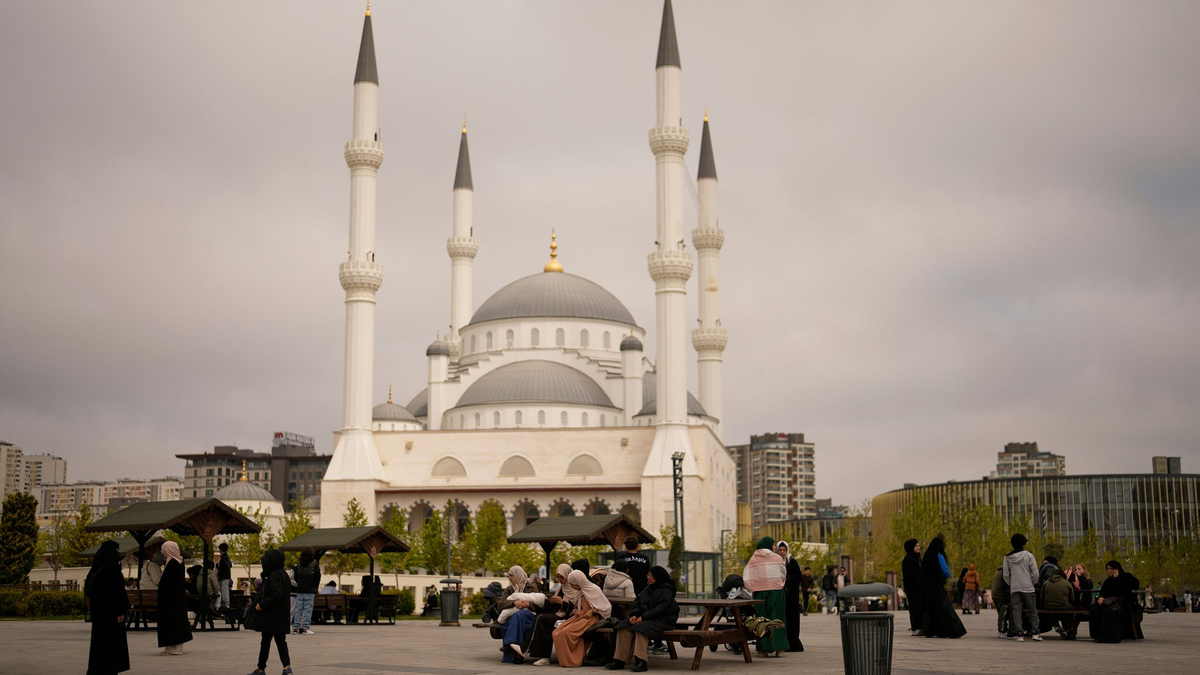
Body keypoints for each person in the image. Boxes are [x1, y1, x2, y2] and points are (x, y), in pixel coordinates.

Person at [606, 566, 680, 672]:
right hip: (646, 618)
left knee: (641, 629)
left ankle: (641, 661)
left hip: (663, 619)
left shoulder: (667, 591)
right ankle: (619, 660)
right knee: (623, 627)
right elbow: (636, 602)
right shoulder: (648, 589)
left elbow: (661, 609)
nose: (648, 577)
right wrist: (634, 615)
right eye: (648, 575)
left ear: (657, 577)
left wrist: (643, 617)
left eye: (650, 575)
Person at [542, 569, 611, 667]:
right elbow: (578, 606)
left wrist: (592, 611)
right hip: (579, 617)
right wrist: (576, 611)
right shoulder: (580, 591)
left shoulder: (593, 589)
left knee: (566, 633)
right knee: (557, 632)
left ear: (579, 581)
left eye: (574, 584)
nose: (573, 587)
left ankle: (574, 660)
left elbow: (606, 608)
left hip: (590, 619)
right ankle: (565, 660)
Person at [86, 540, 130, 675]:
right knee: (111, 645)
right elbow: (117, 593)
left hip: (99, 614)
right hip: (112, 615)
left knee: (99, 643)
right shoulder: (112, 570)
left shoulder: (95, 570)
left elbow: (89, 591)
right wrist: (121, 611)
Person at [249, 549, 293, 675]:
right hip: (280, 615)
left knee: (266, 642)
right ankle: (286, 667)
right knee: (280, 641)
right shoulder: (283, 574)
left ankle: (261, 669)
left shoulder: (274, 575)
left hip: (272, 616)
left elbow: (276, 594)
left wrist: (261, 605)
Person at [743, 536, 788, 657]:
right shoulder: (777, 558)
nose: (774, 547)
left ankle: (763, 649)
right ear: (768, 545)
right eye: (773, 545)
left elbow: (748, 575)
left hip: (760, 593)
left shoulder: (753, 559)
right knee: (777, 618)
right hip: (776, 592)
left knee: (761, 620)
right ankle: (780, 649)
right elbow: (783, 574)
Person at [524, 564, 575, 664]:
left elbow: (576, 607)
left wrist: (562, 602)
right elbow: (553, 608)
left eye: (562, 577)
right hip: (557, 614)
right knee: (540, 618)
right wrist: (550, 601)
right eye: (558, 577)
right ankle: (542, 656)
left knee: (541, 619)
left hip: (568, 616)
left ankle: (524, 648)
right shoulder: (560, 588)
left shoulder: (574, 588)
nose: (560, 580)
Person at [920, 536, 966, 638]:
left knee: (931, 609)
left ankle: (931, 630)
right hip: (937, 586)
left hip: (928, 587)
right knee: (943, 607)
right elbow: (945, 571)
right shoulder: (938, 555)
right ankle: (952, 630)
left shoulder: (927, 555)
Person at [156, 540, 192, 656]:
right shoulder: (175, 562)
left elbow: (170, 583)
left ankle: (175, 648)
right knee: (171, 622)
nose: (162, 552)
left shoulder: (174, 564)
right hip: (173, 599)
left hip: (172, 600)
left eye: (164, 550)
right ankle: (170, 647)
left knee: (173, 622)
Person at [1003, 533, 1041, 642]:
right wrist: (1033, 583)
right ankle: (1035, 633)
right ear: (1024, 543)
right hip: (1028, 587)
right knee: (1032, 610)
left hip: (1015, 588)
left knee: (1016, 611)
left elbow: (1005, 574)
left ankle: (1019, 634)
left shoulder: (1007, 558)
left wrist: (1012, 583)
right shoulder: (1029, 556)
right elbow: (1035, 573)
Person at [1089, 560, 1130, 643]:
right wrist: (1101, 597)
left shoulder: (1124, 578)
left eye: (1111, 568)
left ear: (1117, 569)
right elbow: (1104, 591)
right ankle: (1097, 635)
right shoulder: (1108, 581)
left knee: (1107, 612)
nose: (1109, 571)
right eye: (1108, 569)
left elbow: (1121, 592)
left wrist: (1116, 579)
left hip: (1118, 604)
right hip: (1107, 603)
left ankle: (1110, 637)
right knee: (1094, 610)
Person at [775, 541, 804, 652]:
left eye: (784, 550)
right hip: (781, 597)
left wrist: (787, 579)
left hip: (791, 597)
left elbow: (798, 577)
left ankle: (793, 644)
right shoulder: (776, 563)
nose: (782, 552)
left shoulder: (792, 562)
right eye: (780, 550)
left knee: (792, 621)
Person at [291, 547, 320, 635]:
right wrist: (315, 586)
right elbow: (317, 576)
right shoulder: (314, 563)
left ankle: (295, 628)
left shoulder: (299, 563)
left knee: (299, 608)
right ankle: (305, 628)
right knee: (308, 608)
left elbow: (295, 576)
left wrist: (299, 583)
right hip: (310, 589)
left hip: (300, 589)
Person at [1042, 566, 1078, 638]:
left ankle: (1056, 624)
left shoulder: (1046, 583)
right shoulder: (1067, 583)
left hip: (1048, 606)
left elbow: (1042, 597)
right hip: (1064, 606)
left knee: (1051, 609)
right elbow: (1072, 599)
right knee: (1070, 611)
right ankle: (1067, 629)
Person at [901, 539, 924, 636]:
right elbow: (910, 576)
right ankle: (915, 628)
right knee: (914, 608)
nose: (918, 547)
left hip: (920, 588)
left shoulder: (918, 558)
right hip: (912, 589)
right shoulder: (907, 560)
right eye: (916, 546)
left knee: (920, 607)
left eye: (918, 545)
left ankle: (921, 627)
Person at [990, 566, 1010, 638]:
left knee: (1000, 614)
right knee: (1003, 614)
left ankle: (1000, 630)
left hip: (995, 595)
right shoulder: (1004, 573)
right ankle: (1003, 631)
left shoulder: (998, 572)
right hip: (1000, 595)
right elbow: (1007, 585)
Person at [216, 543, 233, 611]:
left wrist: (219, 567)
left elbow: (226, 566)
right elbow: (230, 565)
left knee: (224, 590)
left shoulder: (224, 557)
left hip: (224, 577)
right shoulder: (226, 556)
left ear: (221, 549)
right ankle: (224, 604)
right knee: (222, 590)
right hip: (225, 576)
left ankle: (226, 604)